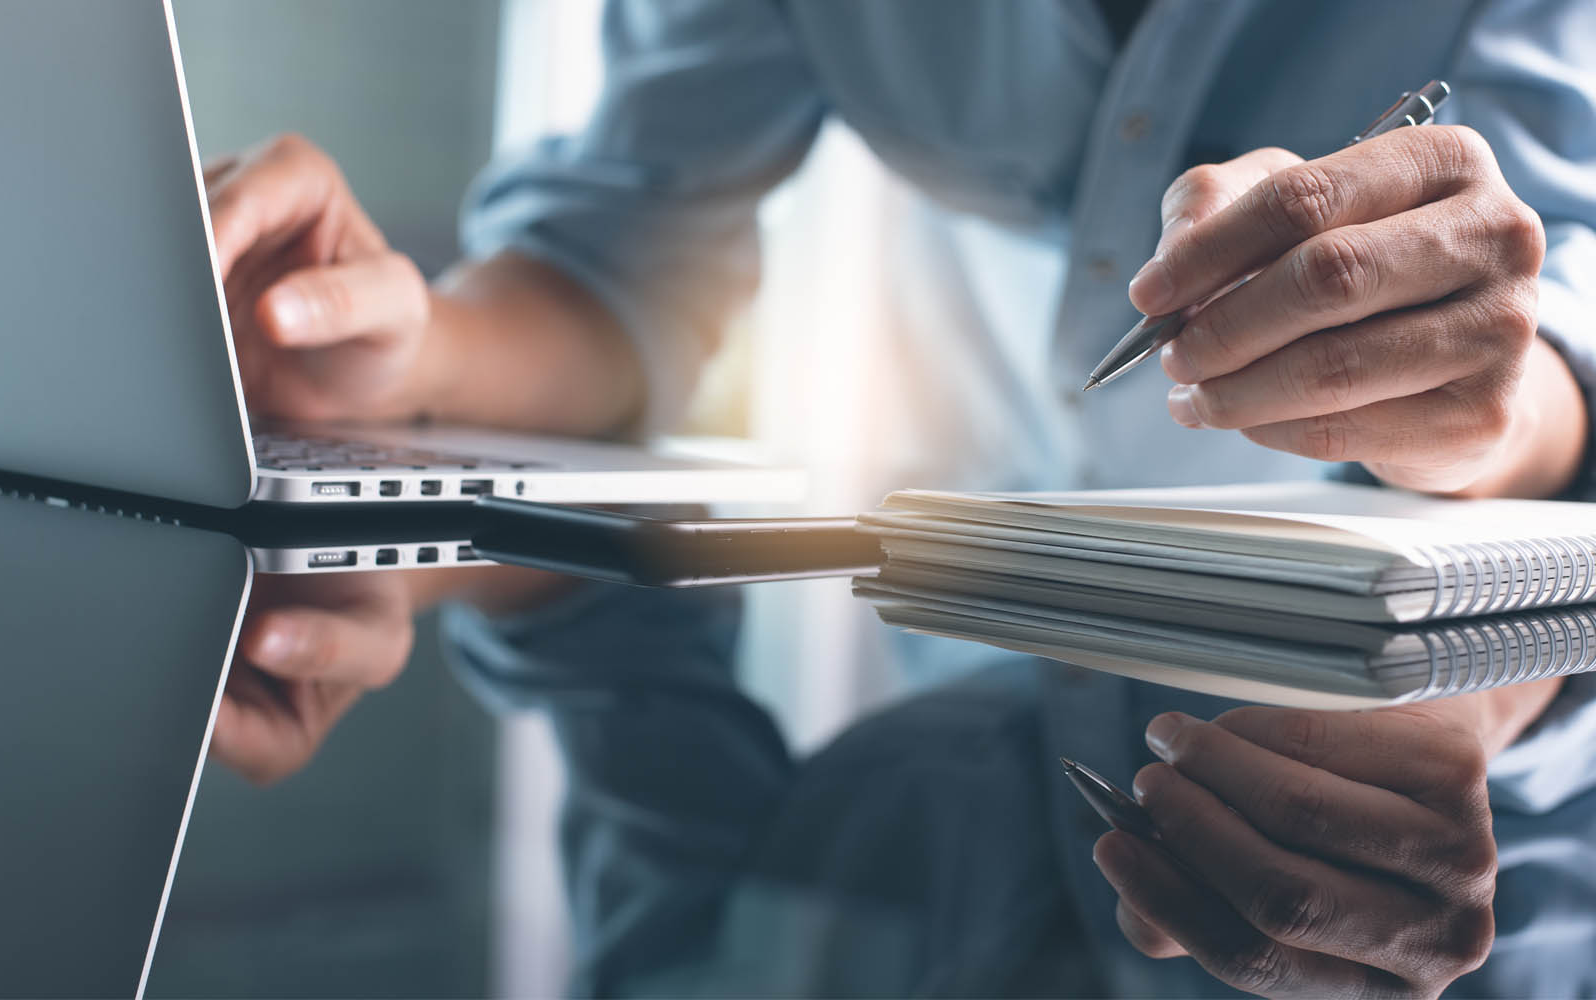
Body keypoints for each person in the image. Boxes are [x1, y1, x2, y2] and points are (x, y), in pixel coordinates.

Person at [206, 1, 1596, 995]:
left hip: (1440, 662)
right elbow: (623, 249)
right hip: (964, 590)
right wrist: (416, 348)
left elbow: (1547, 304)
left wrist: (1497, 404)